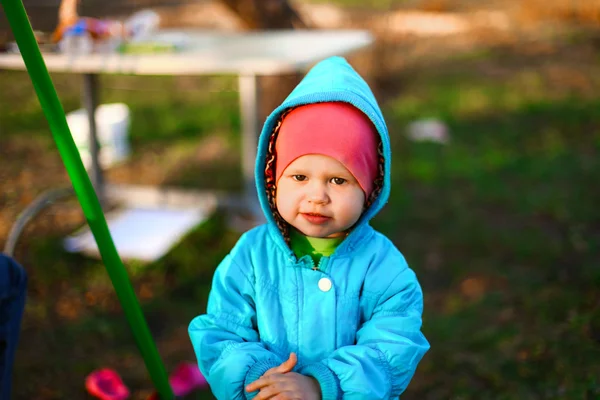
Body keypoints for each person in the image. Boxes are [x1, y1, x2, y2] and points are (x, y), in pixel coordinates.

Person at [189, 56, 429, 399]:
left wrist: (322, 384)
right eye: (300, 177)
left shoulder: (383, 268)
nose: (317, 196)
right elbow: (221, 332)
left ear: (370, 189)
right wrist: (263, 379)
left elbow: (391, 348)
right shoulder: (251, 256)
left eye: (338, 180)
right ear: (273, 180)